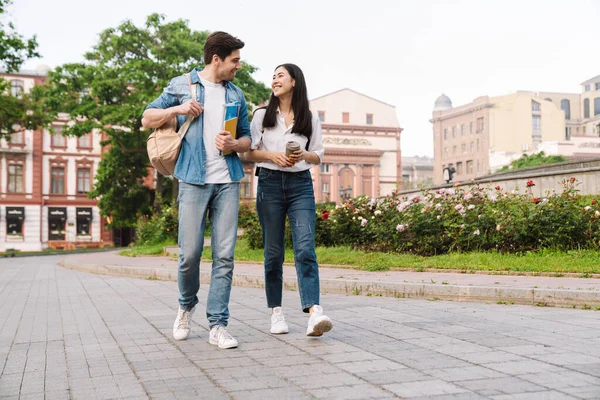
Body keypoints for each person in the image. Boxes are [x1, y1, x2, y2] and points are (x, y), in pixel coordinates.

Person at [142, 31, 252, 349]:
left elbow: (247, 140)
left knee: (225, 256)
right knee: (189, 255)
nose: (238, 67)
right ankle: (186, 307)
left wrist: (235, 143)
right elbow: (147, 116)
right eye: (235, 61)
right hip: (192, 180)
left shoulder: (237, 95)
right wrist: (176, 110)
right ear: (216, 59)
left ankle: (218, 324)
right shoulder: (183, 85)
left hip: (227, 181)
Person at [246, 63, 333, 337]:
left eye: (280, 75)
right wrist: (272, 156)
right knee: (273, 254)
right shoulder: (262, 115)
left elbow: (318, 153)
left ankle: (314, 312)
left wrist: (304, 155)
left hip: (300, 185)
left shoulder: (309, 116)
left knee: (305, 248)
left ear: (294, 81)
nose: (275, 80)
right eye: (273, 77)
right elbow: (247, 153)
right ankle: (276, 312)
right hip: (269, 184)